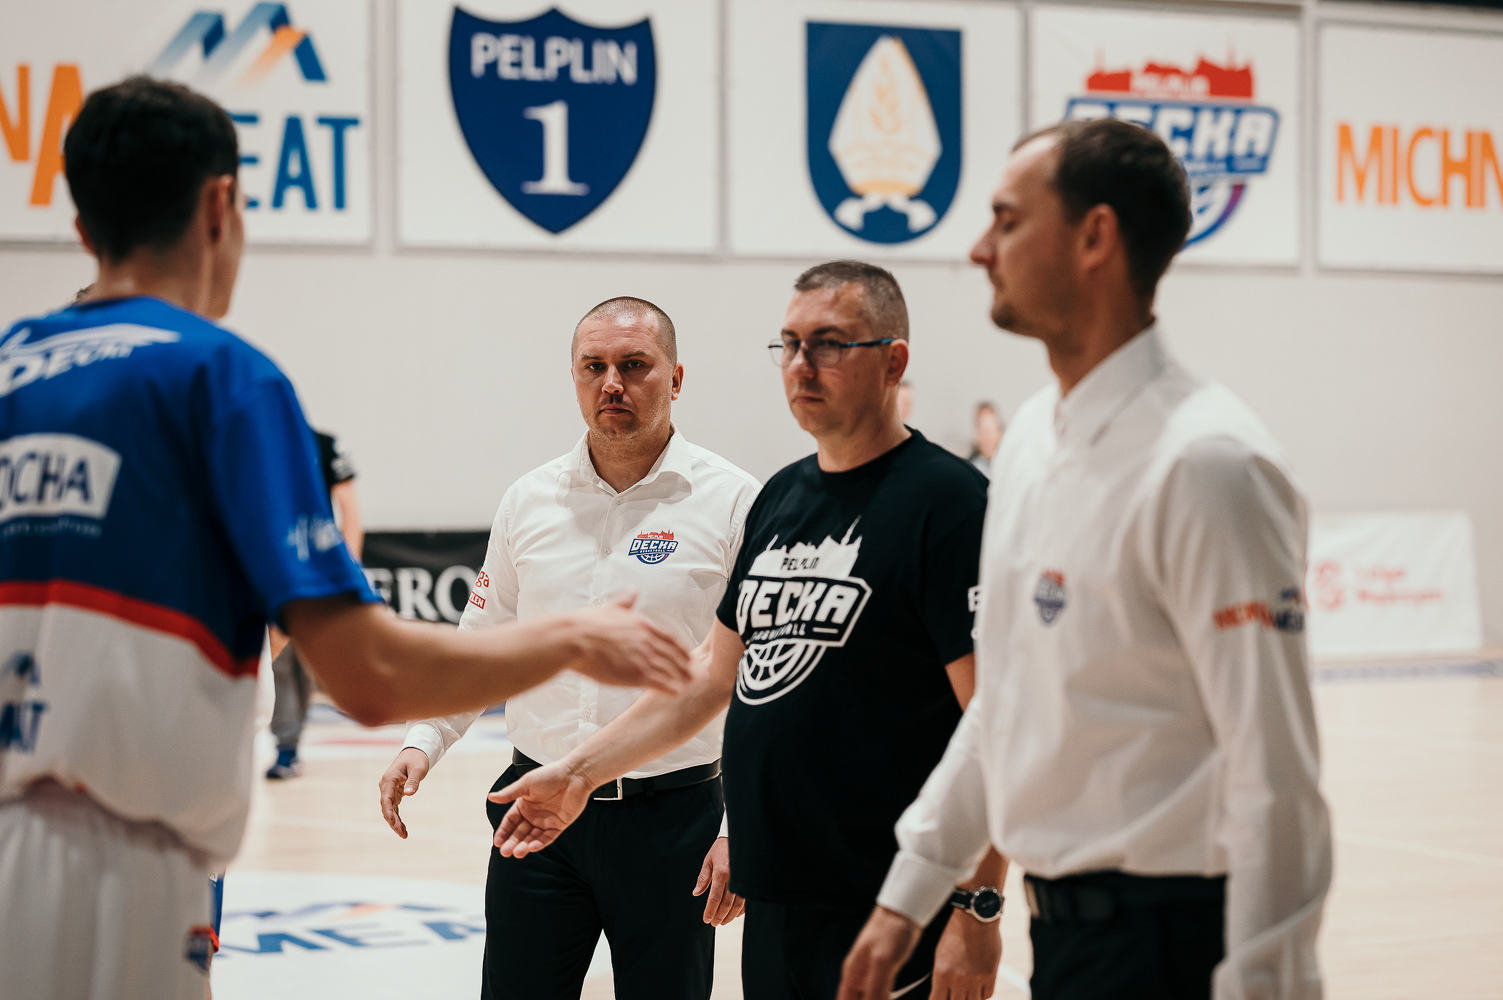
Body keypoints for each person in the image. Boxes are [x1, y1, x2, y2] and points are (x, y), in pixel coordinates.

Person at [0, 76, 689, 1000]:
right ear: (221, 205)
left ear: (83, 225)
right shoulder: (221, 380)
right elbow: (369, 678)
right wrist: (571, 639)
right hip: (125, 865)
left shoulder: (11, 370)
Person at [838, 119, 1332, 1000]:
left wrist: (1264, 982)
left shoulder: (1209, 463)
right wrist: (907, 896)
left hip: (1177, 944)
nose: (979, 249)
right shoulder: (1030, 438)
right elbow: (1005, 701)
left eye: (1007, 220)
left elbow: (1275, 775)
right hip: (1064, 939)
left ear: (1094, 237)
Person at [486, 261, 1010, 1000]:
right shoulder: (783, 500)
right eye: (790, 344)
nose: (802, 365)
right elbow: (709, 677)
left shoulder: (951, 503)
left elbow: (994, 723)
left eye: (829, 344)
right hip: (781, 895)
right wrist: (579, 774)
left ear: (893, 362)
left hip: (896, 896)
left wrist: (976, 904)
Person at [377, 296, 760, 1000]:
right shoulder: (528, 499)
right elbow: (482, 640)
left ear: (676, 378)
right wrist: (424, 739)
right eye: (593, 367)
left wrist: (741, 829)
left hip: (673, 821)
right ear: (575, 377)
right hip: (534, 810)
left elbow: (757, 683)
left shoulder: (736, 502)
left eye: (634, 365)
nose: (611, 383)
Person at [265, 429, 364, 779]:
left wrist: (349, 570)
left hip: (317, 565)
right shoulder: (262, 442)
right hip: (277, 561)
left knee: (304, 659)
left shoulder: (323, 443)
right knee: (280, 657)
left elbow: (349, 508)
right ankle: (286, 746)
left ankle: (289, 743)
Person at [966, 402, 1004, 477]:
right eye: (982, 431)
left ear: (1000, 434)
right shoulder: (972, 467)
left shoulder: (1008, 464)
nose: (987, 437)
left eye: (990, 431)